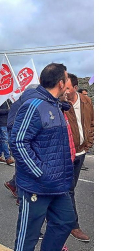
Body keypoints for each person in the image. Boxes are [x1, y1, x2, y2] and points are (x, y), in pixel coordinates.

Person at [10, 63, 74, 251]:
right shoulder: (34, 105)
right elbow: (19, 142)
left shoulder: (56, 105)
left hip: (58, 184)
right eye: (67, 79)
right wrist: (40, 172)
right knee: (27, 237)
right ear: (61, 83)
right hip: (37, 185)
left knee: (65, 221)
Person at [64, 73, 94, 242]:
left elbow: (91, 123)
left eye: (67, 88)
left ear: (75, 88)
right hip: (66, 154)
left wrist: (88, 143)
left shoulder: (86, 102)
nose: (64, 91)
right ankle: (73, 225)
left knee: (69, 189)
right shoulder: (59, 104)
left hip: (80, 153)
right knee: (67, 190)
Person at [0, 99, 14, 164]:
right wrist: (7, 110)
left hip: (7, 122)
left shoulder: (9, 100)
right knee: (5, 139)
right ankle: (7, 157)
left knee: (2, 140)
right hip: (1, 122)